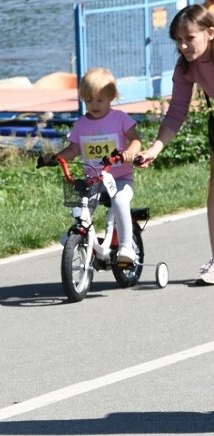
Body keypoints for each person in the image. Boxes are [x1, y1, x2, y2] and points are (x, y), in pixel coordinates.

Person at [141, 4, 214, 284]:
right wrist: (155, 148)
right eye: (178, 40)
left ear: (210, 33)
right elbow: (176, 112)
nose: (183, 45)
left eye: (189, 38)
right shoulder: (186, 67)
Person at [50, 66, 142, 266]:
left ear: (111, 97)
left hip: (120, 179)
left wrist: (131, 152)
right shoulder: (82, 124)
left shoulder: (120, 118)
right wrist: (55, 157)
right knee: (82, 203)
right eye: (88, 100)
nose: (94, 105)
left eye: (99, 100)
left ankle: (126, 246)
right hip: (95, 179)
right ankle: (79, 236)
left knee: (119, 202)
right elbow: (73, 150)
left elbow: (136, 140)